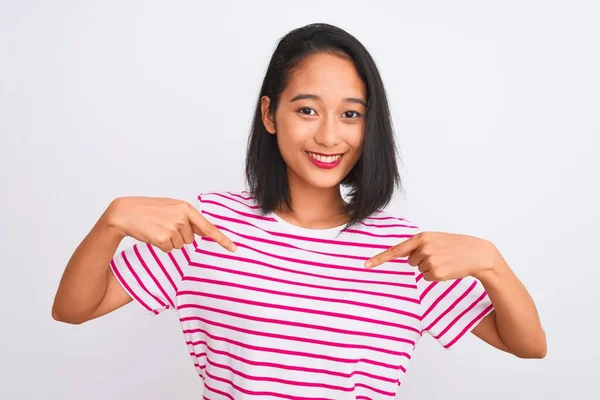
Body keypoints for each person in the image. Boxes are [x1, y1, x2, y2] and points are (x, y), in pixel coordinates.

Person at [52, 23, 546, 399]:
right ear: (270, 114)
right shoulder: (206, 225)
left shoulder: (403, 249)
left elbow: (527, 345)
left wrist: (491, 263)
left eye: (350, 114)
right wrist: (111, 222)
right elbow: (73, 310)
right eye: (307, 109)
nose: (330, 136)